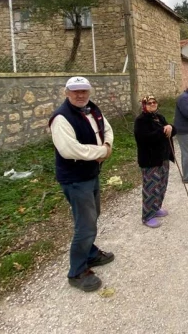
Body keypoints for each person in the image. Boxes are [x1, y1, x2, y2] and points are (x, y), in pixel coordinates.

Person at [48, 76, 115, 292]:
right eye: (75, 91)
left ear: (89, 92)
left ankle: (90, 253)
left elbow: (108, 130)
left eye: (84, 91)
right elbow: (69, 150)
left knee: (93, 215)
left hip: (90, 173)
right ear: (66, 92)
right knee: (85, 224)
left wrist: (106, 143)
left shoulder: (93, 110)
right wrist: (102, 152)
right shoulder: (61, 118)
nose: (80, 95)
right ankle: (76, 272)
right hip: (75, 179)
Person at [134, 94, 176, 228]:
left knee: (161, 185)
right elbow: (143, 139)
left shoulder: (159, 117)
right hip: (150, 160)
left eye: (154, 102)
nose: (152, 104)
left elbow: (171, 132)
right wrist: (162, 131)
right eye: (149, 103)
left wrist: (170, 128)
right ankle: (147, 216)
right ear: (144, 105)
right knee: (150, 188)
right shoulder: (141, 120)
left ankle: (156, 208)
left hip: (163, 158)